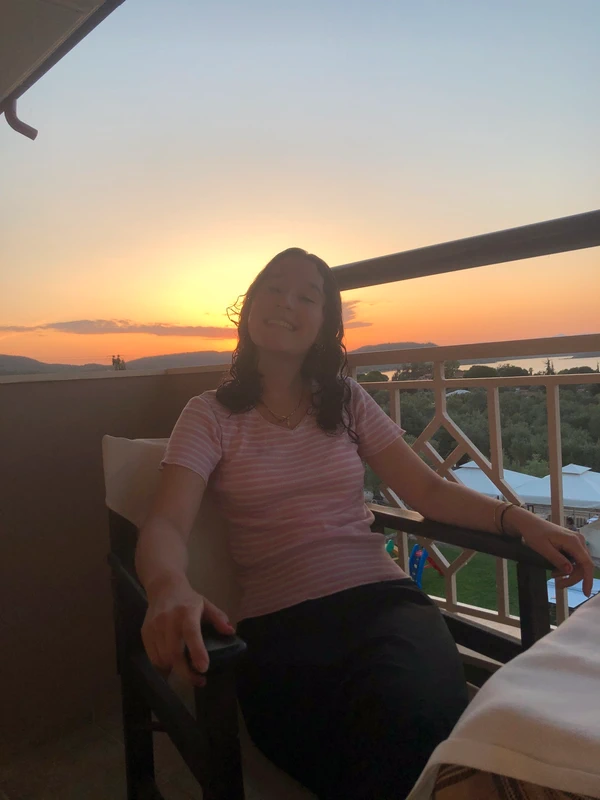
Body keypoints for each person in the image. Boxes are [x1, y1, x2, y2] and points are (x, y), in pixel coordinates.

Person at [135, 248, 594, 799]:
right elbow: (166, 523)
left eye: (307, 296)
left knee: (412, 722)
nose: (286, 302)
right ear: (249, 307)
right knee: (352, 754)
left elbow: (426, 490)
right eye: (274, 288)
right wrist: (168, 587)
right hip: (280, 633)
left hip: (383, 607)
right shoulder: (208, 415)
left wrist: (517, 519)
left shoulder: (346, 401)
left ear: (324, 324)